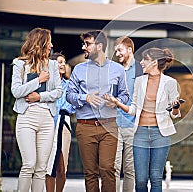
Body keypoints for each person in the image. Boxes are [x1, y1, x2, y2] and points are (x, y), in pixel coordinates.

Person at [104, 47, 182, 192]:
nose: (141, 62)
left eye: (145, 59)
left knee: (156, 178)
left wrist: (175, 107)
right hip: (140, 134)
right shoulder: (139, 81)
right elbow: (133, 109)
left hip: (160, 134)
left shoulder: (170, 83)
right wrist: (117, 103)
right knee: (140, 180)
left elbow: (174, 114)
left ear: (154, 62)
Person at [66, 30, 129, 192]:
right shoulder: (79, 69)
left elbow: (124, 95)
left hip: (109, 127)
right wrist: (85, 98)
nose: (84, 47)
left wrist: (116, 102)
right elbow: (69, 95)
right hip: (85, 126)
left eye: (88, 44)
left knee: (108, 168)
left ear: (99, 46)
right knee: (90, 172)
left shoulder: (118, 69)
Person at [11, 27, 63, 192]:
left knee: (41, 168)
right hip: (27, 117)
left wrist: (39, 97)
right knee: (29, 164)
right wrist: (38, 80)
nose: (51, 46)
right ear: (40, 43)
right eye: (48, 43)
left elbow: (58, 92)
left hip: (47, 118)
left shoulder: (53, 65)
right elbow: (16, 91)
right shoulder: (19, 64)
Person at [113, 36, 143, 192]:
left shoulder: (141, 69)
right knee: (114, 167)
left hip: (133, 125)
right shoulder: (113, 70)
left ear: (130, 50)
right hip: (114, 124)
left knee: (131, 170)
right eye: (116, 51)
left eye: (120, 50)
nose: (117, 54)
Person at [45, 52, 76, 192]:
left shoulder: (70, 85)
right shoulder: (46, 84)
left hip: (63, 124)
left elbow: (73, 106)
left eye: (64, 62)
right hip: (47, 123)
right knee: (49, 164)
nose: (63, 64)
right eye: (59, 62)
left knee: (62, 165)